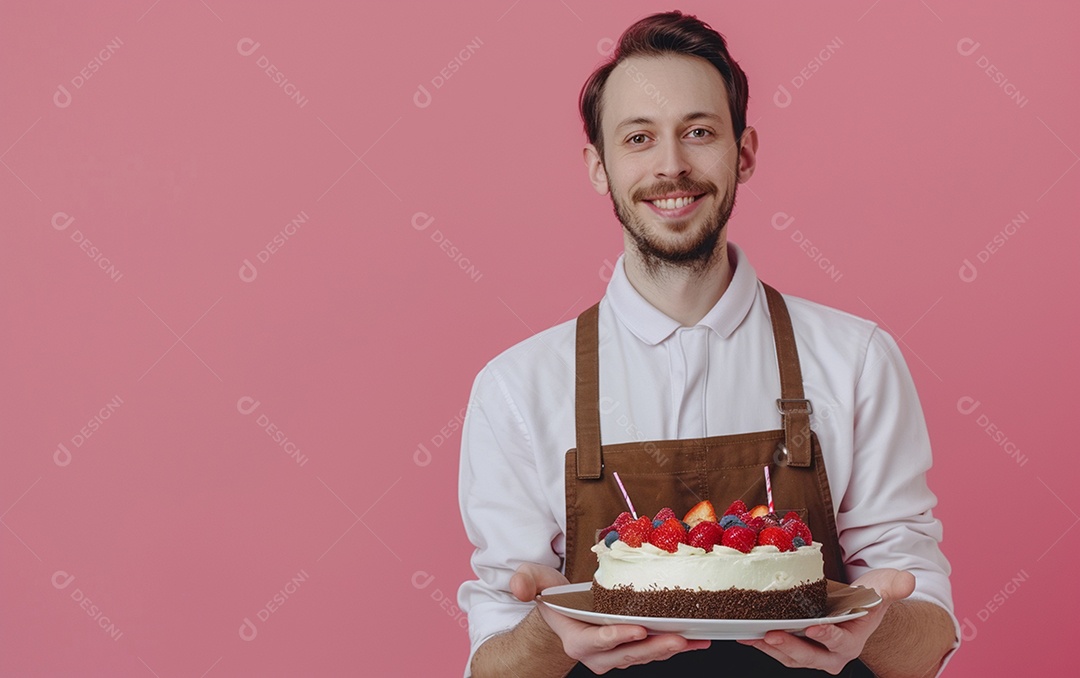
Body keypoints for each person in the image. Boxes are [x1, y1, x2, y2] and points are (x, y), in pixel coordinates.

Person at [457, 11, 959, 677]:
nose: (672, 166)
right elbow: (494, 664)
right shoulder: (515, 388)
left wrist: (875, 629)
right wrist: (550, 636)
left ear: (743, 152)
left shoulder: (857, 360)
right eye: (639, 138)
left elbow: (924, 642)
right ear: (599, 167)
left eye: (699, 132)